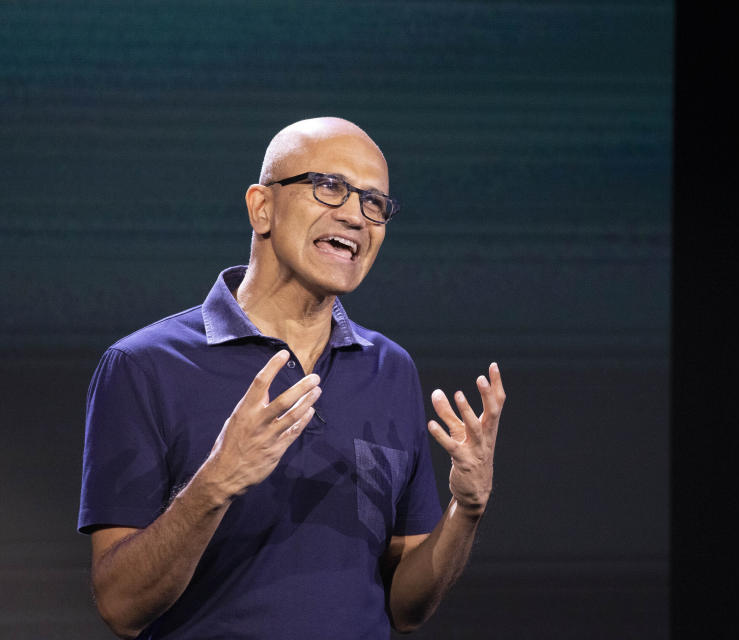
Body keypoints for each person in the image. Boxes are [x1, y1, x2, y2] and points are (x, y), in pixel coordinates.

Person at [78, 117, 505, 639]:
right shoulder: (144, 366)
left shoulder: (389, 369)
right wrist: (216, 483)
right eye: (330, 188)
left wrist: (466, 509)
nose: (355, 216)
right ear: (262, 207)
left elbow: (405, 610)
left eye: (375, 203)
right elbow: (121, 608)